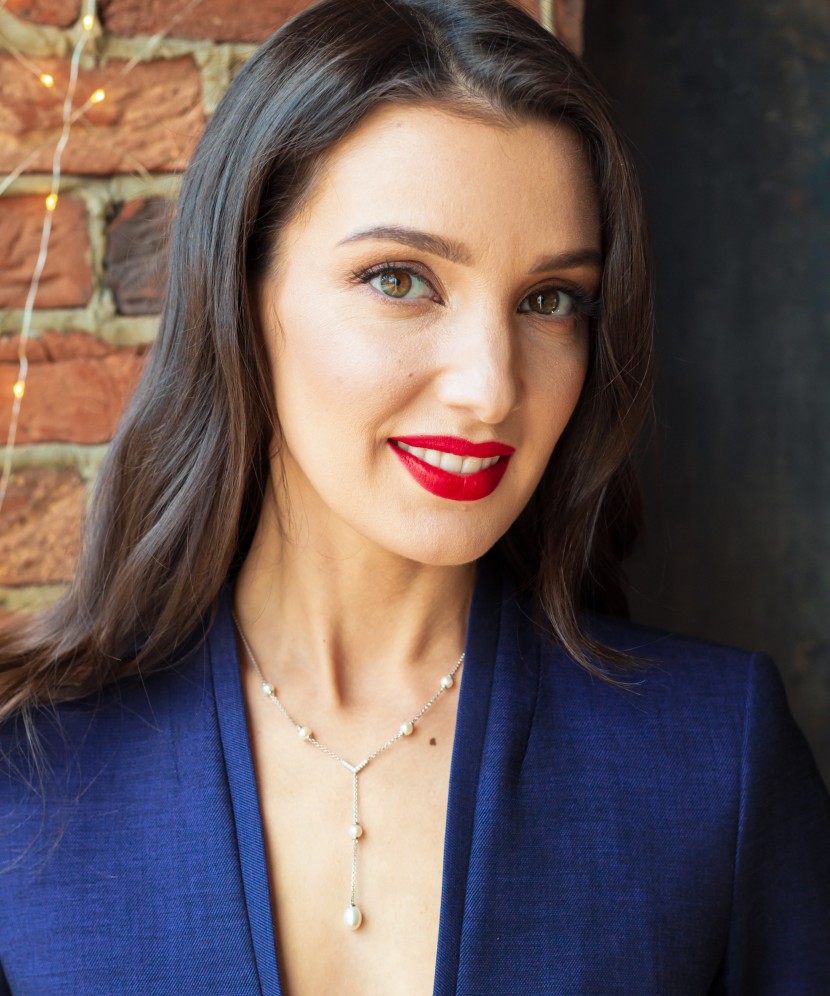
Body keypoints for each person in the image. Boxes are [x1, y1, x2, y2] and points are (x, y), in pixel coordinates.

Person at [1, 0, 828, 992]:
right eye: (400, 279)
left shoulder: (711, 761)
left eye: (548, 299)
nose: (490, 386)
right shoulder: (27, 771)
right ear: (242, 290)